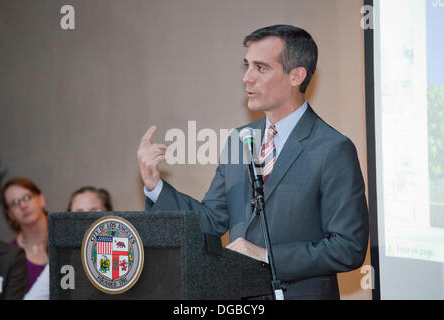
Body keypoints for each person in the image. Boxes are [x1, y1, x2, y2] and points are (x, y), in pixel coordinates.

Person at [137, 25, 369, 299]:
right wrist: (155, 185)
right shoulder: (240, 139)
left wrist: (267, 256)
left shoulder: (332, 149)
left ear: (296, 75)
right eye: (247, 66)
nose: (247, 78)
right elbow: (210, 221)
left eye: (261, 68)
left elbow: (347, 248)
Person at [1, 178, 48, 291]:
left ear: (41, 199)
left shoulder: (65, 236)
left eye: (27, 197)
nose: (23, 205)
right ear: (10, 214)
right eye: (15, 203)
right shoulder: (9, 256)